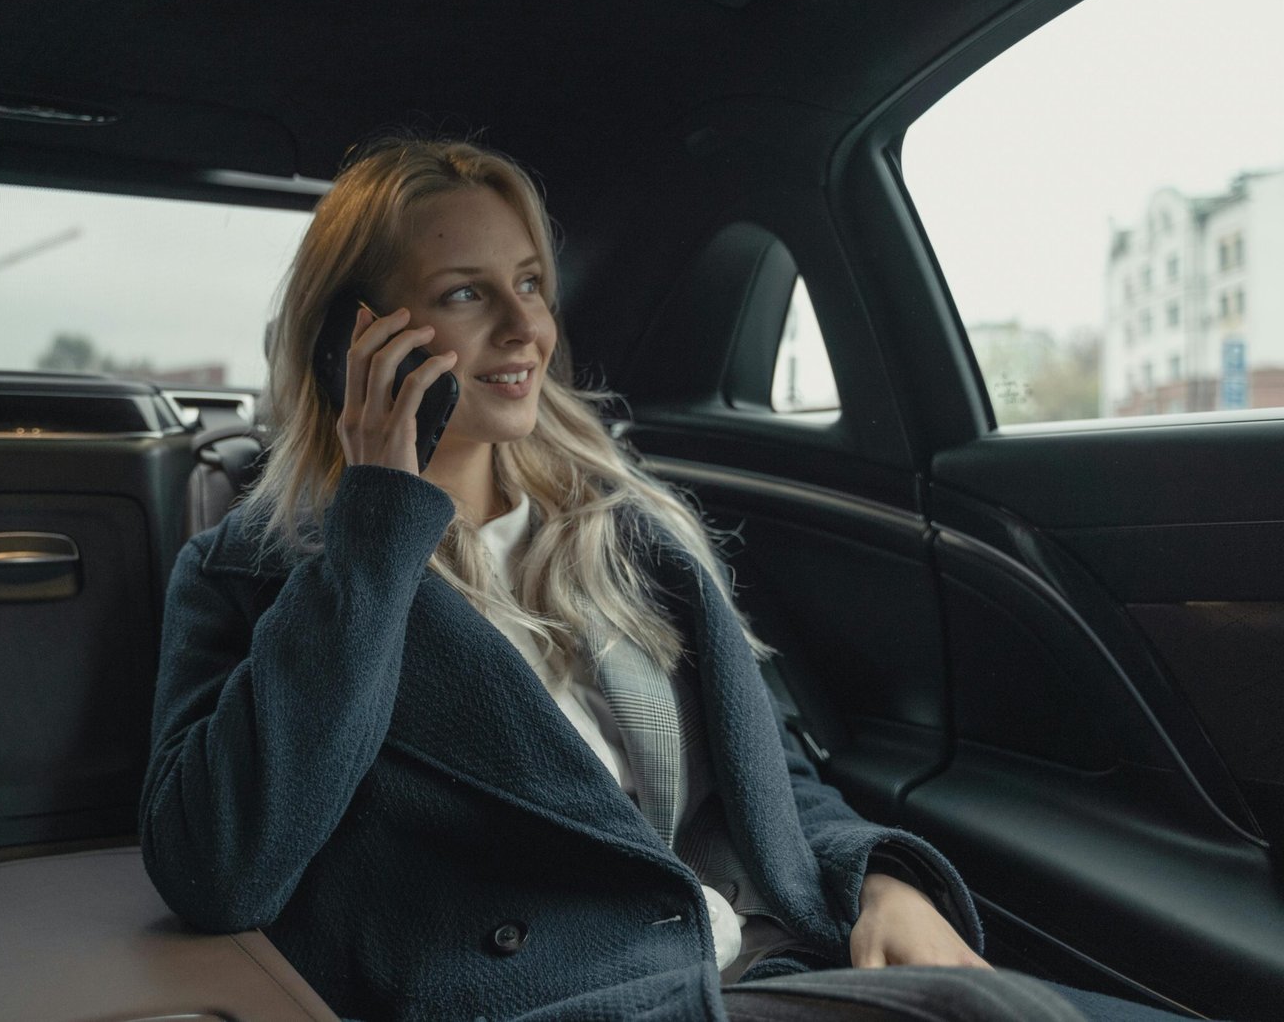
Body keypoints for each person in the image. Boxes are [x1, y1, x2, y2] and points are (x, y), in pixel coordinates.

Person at [139, 138, 1182, 1022]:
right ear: (351, 340)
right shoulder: (255, 573)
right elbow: (220, 867)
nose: (524, 329)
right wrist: (373, 528)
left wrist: (882, 875)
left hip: (770, 961)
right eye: (466, 293)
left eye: (531, 282)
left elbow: (774, 779)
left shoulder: (625, 532)